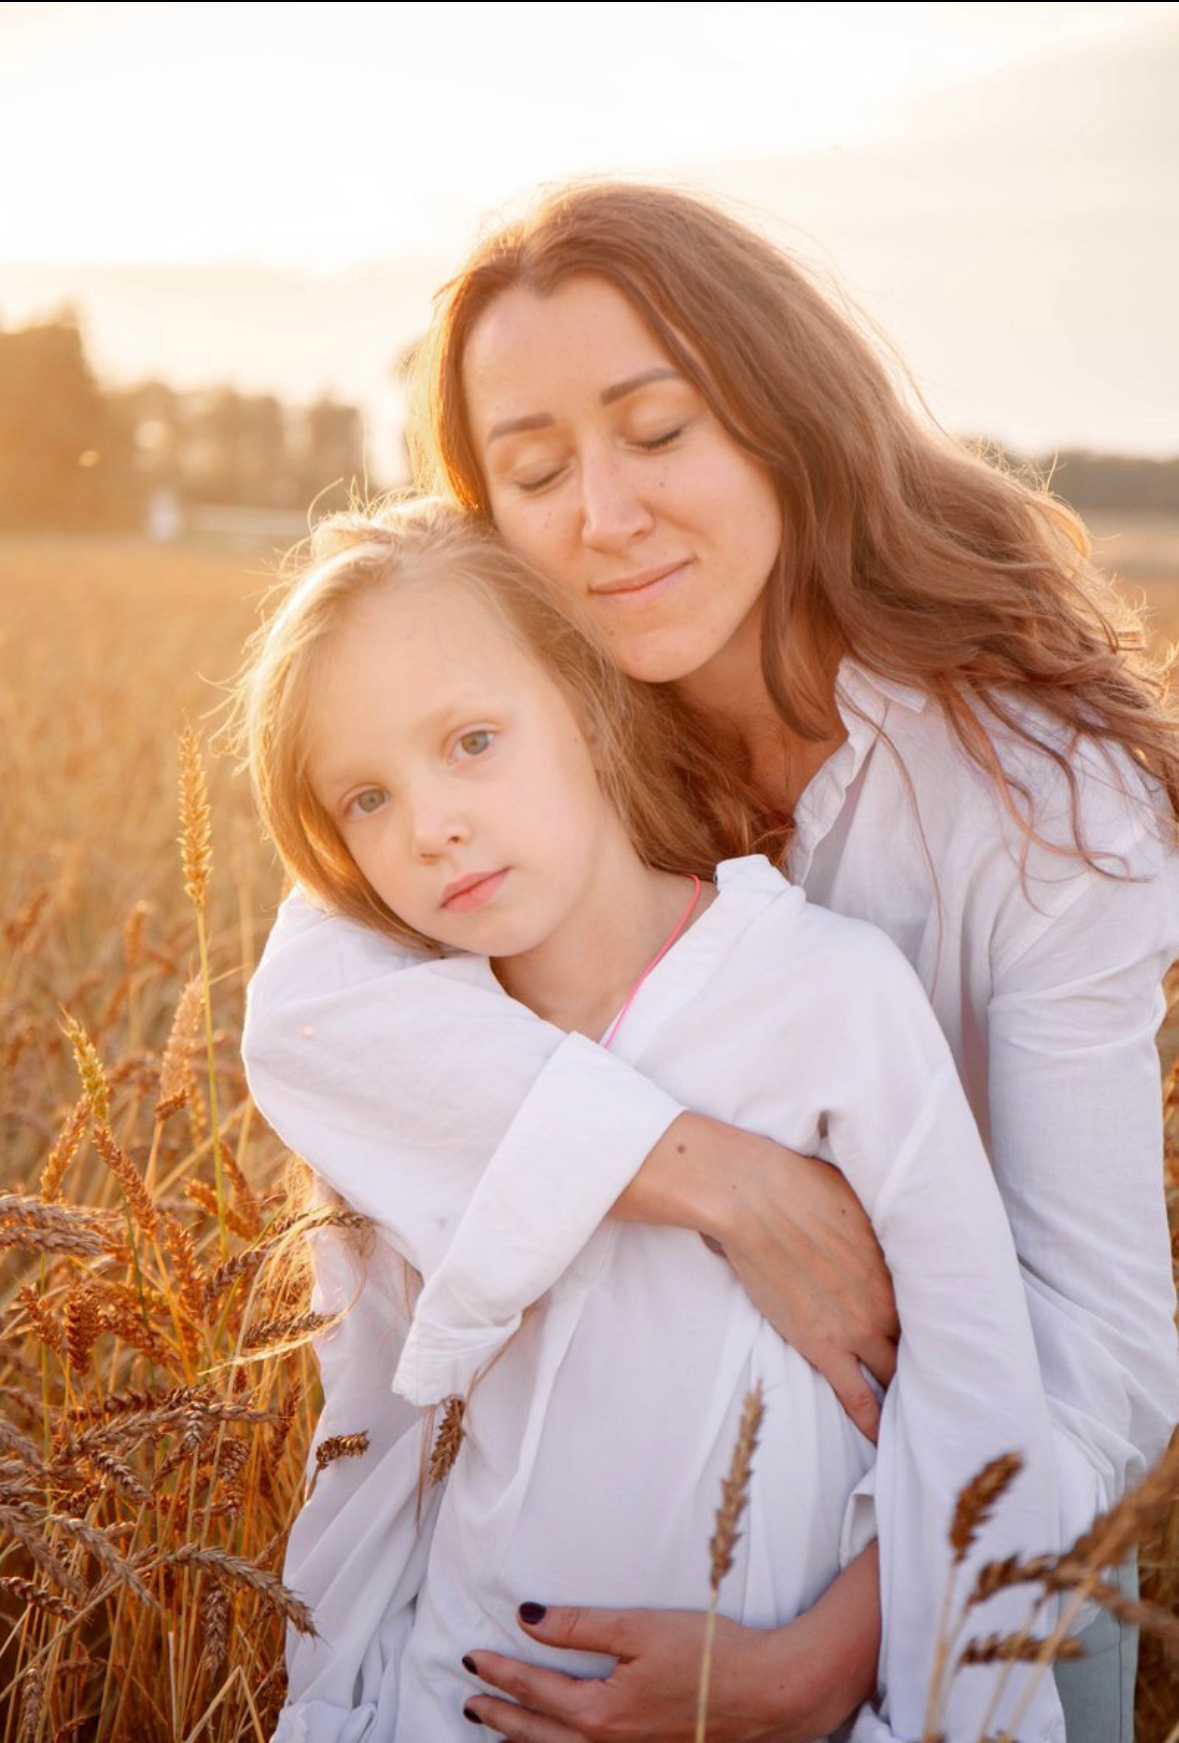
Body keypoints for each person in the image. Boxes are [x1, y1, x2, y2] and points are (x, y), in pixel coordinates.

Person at [243, 182, 1179, 1743]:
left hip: (970, 1566)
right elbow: (319, 1003)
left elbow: (1092, 1338)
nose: (600, 515)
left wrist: (830, 1646)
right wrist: (708, 1174)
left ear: (780, 415)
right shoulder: (531, 723)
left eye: (656, 430)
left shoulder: (1040, 793)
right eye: (533, 469)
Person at [238, 496, 1066, 1743]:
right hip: (476, 1700)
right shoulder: (415, 1067)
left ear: (583, 691)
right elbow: (375, 1439)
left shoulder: (828, 993)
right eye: (364, 799)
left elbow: (977, 1402)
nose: (429, 825)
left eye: (471, 740)